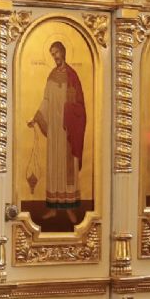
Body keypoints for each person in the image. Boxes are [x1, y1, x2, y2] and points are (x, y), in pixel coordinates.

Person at [29, 40, 87, 222]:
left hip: (68, 130)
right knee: (54, 166)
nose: (55, 56)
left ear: (63, 52)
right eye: (52, 54)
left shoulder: (72, 76)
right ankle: (53, 208)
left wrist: (70, 113)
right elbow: (46, 100)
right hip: (54, 130)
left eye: (56, 52)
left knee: (67, 168)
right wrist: (37, 117)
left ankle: (70, 209)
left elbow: (80, 106)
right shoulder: (51, 75)